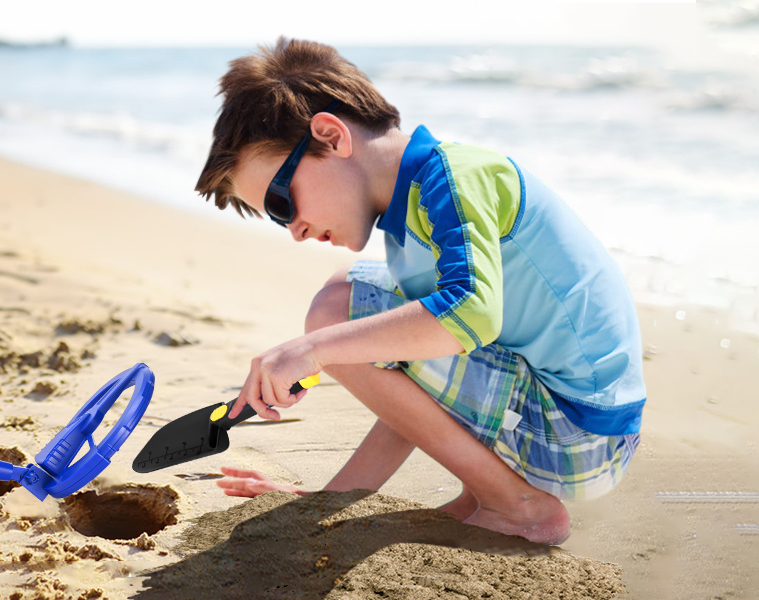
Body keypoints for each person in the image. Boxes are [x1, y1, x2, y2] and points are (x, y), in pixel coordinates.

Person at [195, 38, 645, 545]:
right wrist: (328, 503)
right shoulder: (407, 220)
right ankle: (486, 492)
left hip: (579, 435)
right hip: (557, 420)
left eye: (281, 203)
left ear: (330, 135)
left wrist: (313, 348)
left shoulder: (454, 180)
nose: (294, 229)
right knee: (349, 293)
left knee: (337, 312)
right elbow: (413, 386)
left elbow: (472, 315)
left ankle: (517, 506)